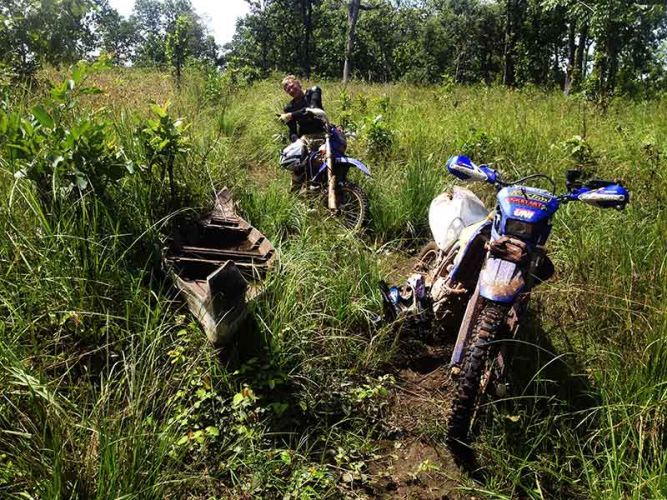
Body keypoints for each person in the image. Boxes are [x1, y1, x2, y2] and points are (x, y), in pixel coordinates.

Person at [279, 75, 326, 190]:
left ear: (298, 84)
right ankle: (298, 194)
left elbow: (312, 110)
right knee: (297, 164)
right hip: (306, 138)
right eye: (287, 90)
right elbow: (292, 132)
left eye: (291, 86)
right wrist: (297, 141)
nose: (291, 90)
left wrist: (291, 115)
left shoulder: (313, 92)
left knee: (328, 159)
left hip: (324, 134)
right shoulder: (289, 107)